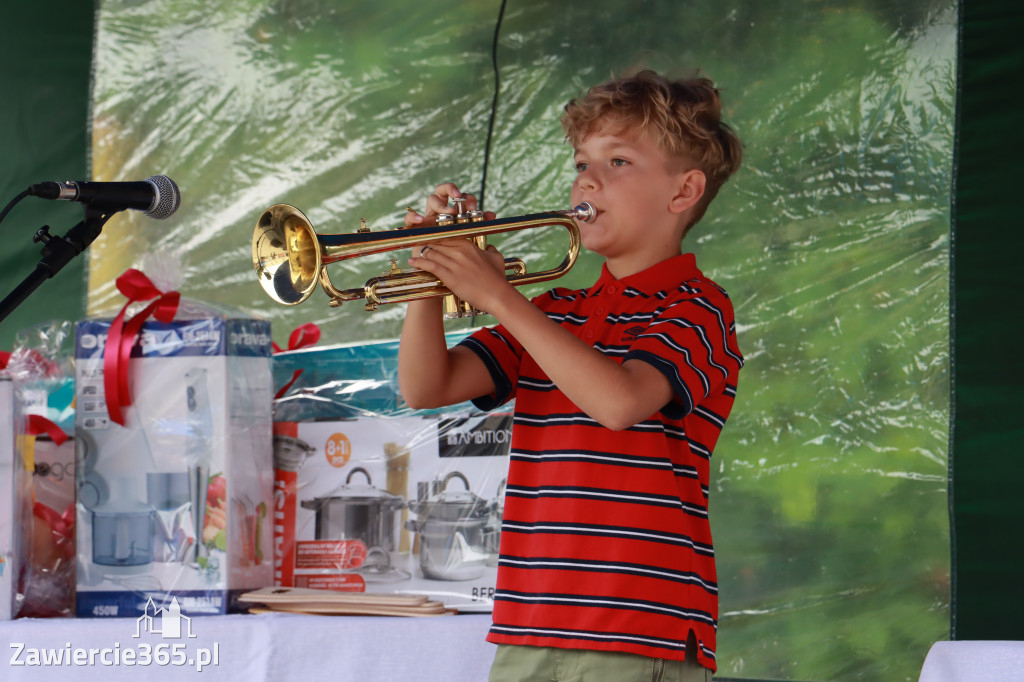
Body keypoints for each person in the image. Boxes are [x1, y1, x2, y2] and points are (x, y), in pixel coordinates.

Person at [398, 69, 744, 682]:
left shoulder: (699, 307)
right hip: (531, 618)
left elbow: (618, 402)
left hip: (641, 625)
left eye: (618, 162)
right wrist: (430, 275)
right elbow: (429, 387)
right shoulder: (558, 311)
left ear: (683, 190)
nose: (587, 179)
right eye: (583, 162)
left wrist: (500, 296)